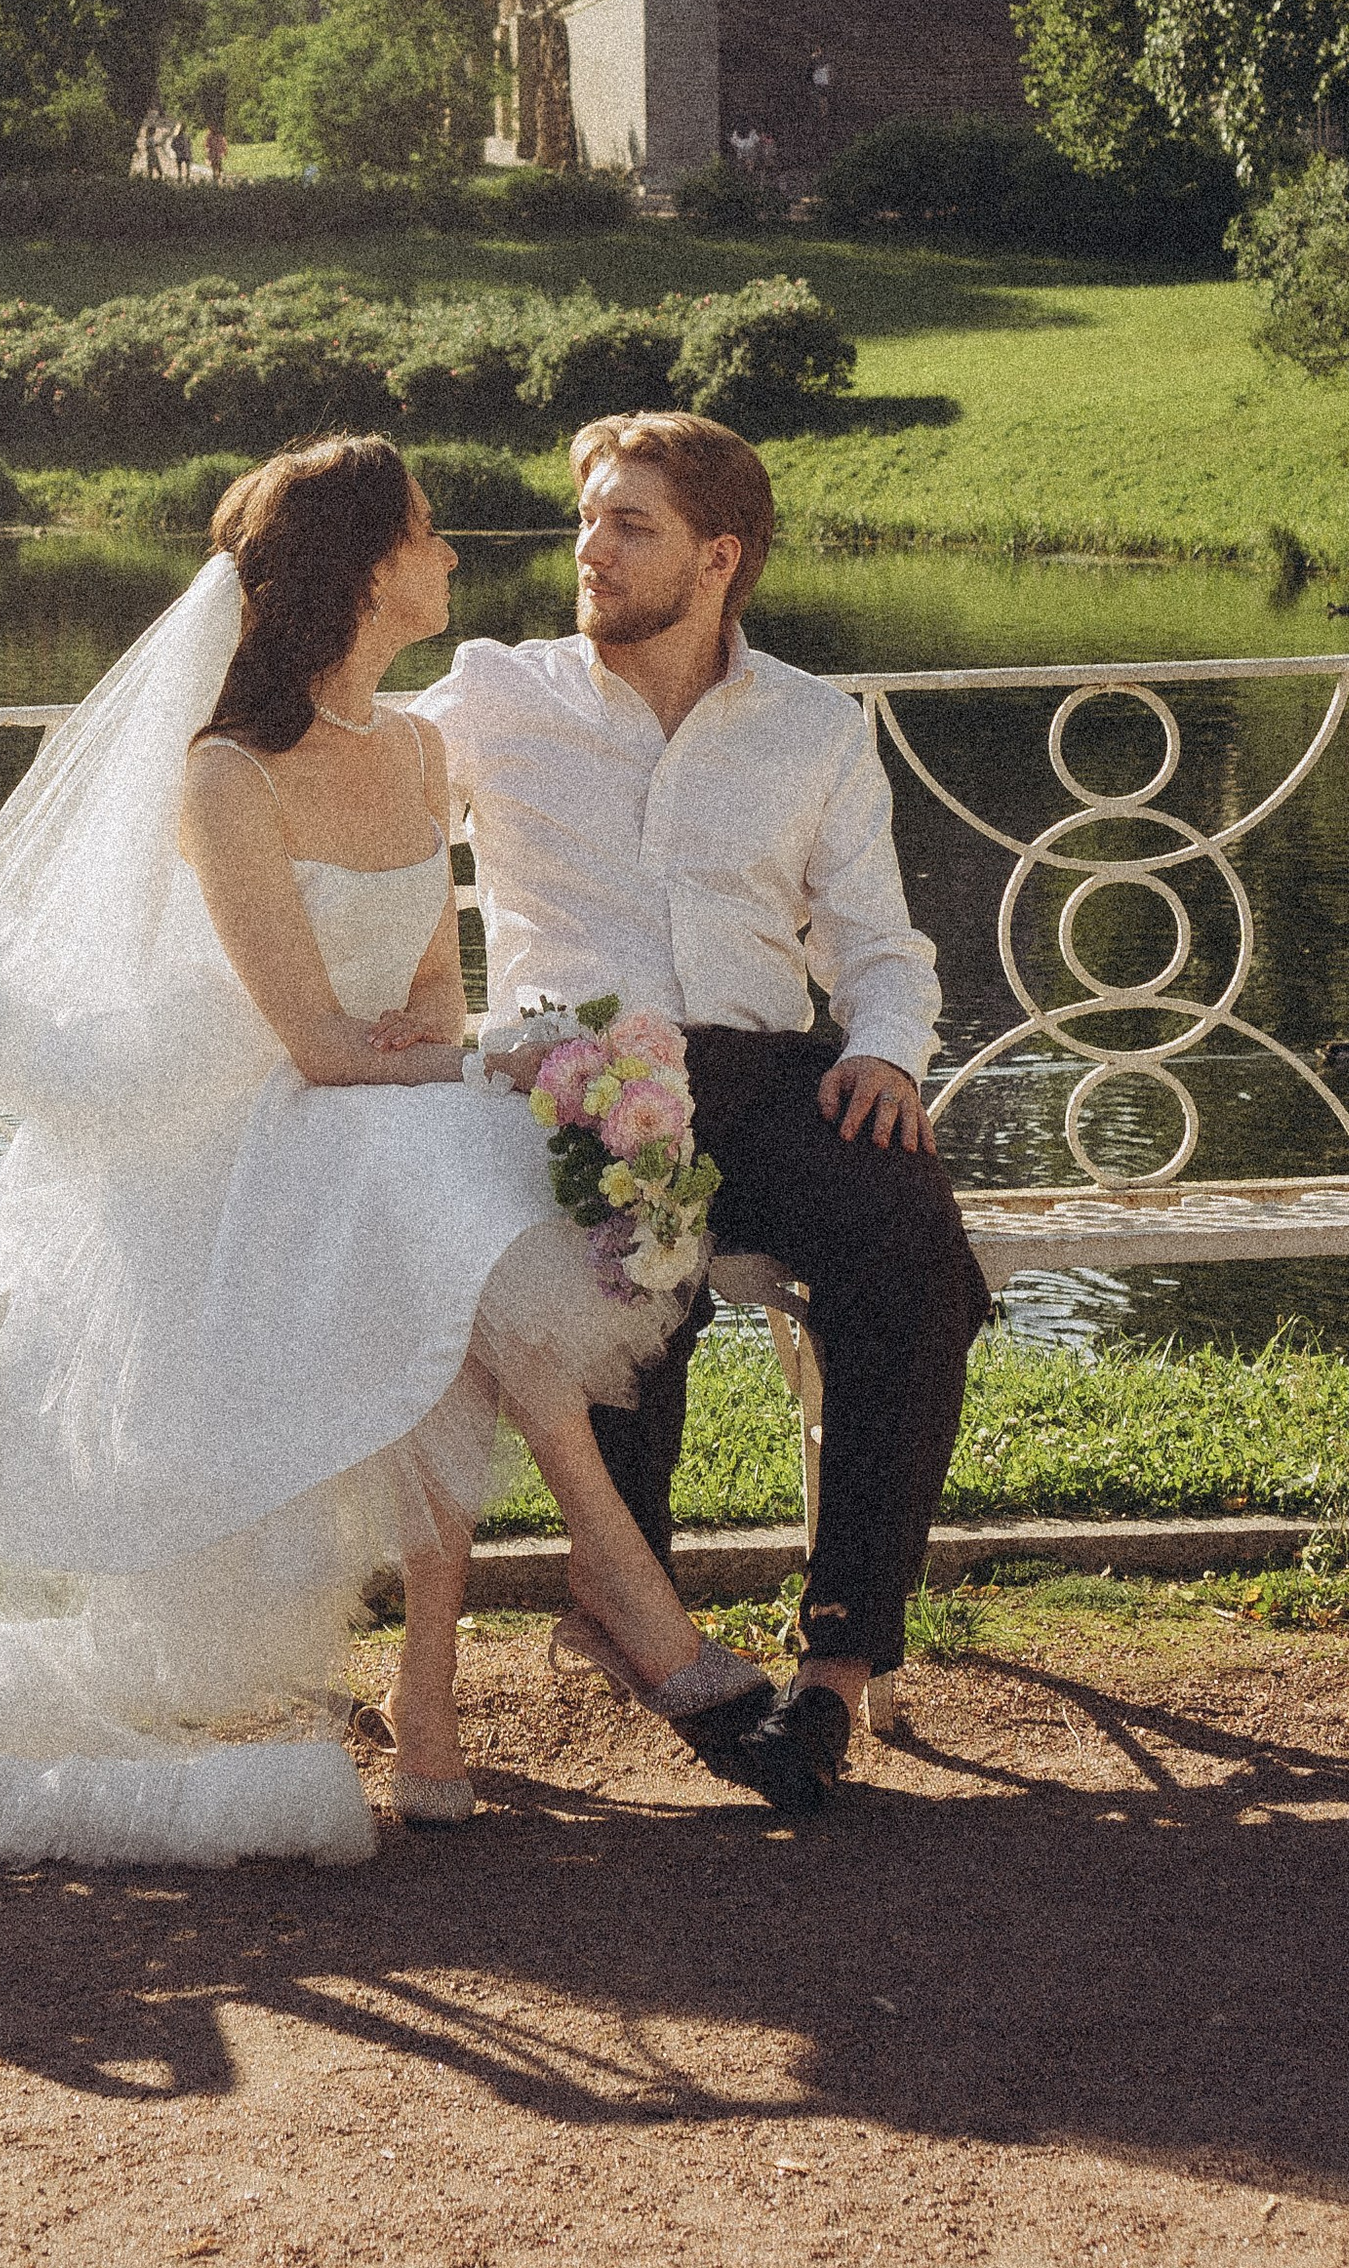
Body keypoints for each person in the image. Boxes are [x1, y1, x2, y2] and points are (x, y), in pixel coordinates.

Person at [0, 437, 772, 1868]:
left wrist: (452, 1057)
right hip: (229, 1140)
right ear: (362, 572)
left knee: (456, 1206)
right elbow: (307, 1039)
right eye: (425, 533)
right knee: (452, 1213)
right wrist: (444, 1064)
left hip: (372, 1117)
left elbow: (428, 1001)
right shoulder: (227, 774)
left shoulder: (420, 749)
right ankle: (628, 1624)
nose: (454, 556)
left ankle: (442, 1697)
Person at [414, 412, 992, 1814]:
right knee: (620, 1254)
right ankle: (639, 1609)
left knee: (916, 1260)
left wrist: (892, 1056)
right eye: (586, 520)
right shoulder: (497, 693)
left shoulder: (812, 724)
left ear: (718, 557)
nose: (589, 552)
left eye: (631, 527)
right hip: (578, 1073)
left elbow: (880, 945)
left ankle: (839, 1668)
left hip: (766, 1072)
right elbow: (348, 799)